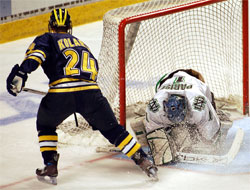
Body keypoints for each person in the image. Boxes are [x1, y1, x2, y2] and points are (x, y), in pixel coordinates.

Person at [6, 8, 157, 184]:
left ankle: (50, 165)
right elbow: (93, 70)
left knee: (45, 125)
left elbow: (36, 56)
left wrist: (21, 74)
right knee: (113, 130)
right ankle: (145, 162)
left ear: (51, 25)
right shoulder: (81, 44)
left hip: (61, 93)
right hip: (91, 93)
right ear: (69, 26)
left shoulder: (47, 38)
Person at [131, 69, 231, 166]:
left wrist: (209, 142)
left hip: (191, 108)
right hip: (175, 111)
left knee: (207, 130)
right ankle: (168, 133)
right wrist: (156, 144)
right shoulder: (156, 109)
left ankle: (180, 132)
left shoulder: (198, 104)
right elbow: (153, 128)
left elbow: (209, 126)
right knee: (156, 136)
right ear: (165, 105)